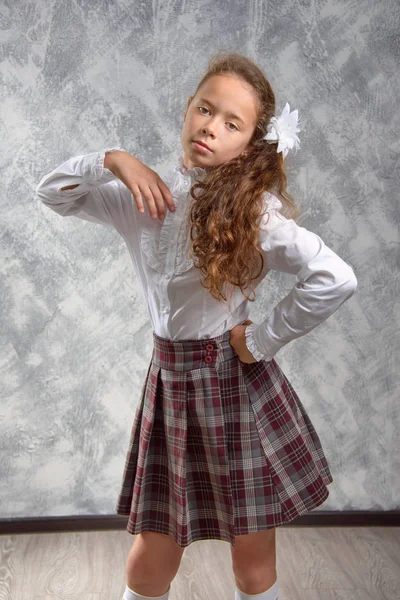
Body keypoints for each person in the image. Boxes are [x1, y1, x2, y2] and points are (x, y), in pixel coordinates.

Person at [35, 52, 357, 600]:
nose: (211, 127)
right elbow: (52, 192)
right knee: (146, 568)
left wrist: (261, 338)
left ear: (252, 144)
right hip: (170, 387)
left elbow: (335, 277)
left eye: (232, 123)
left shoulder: (256, 215)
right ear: (187, 111)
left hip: (234, 389)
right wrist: (115, 160)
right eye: (205, 110)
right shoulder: (145, 200)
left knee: (252, 569)